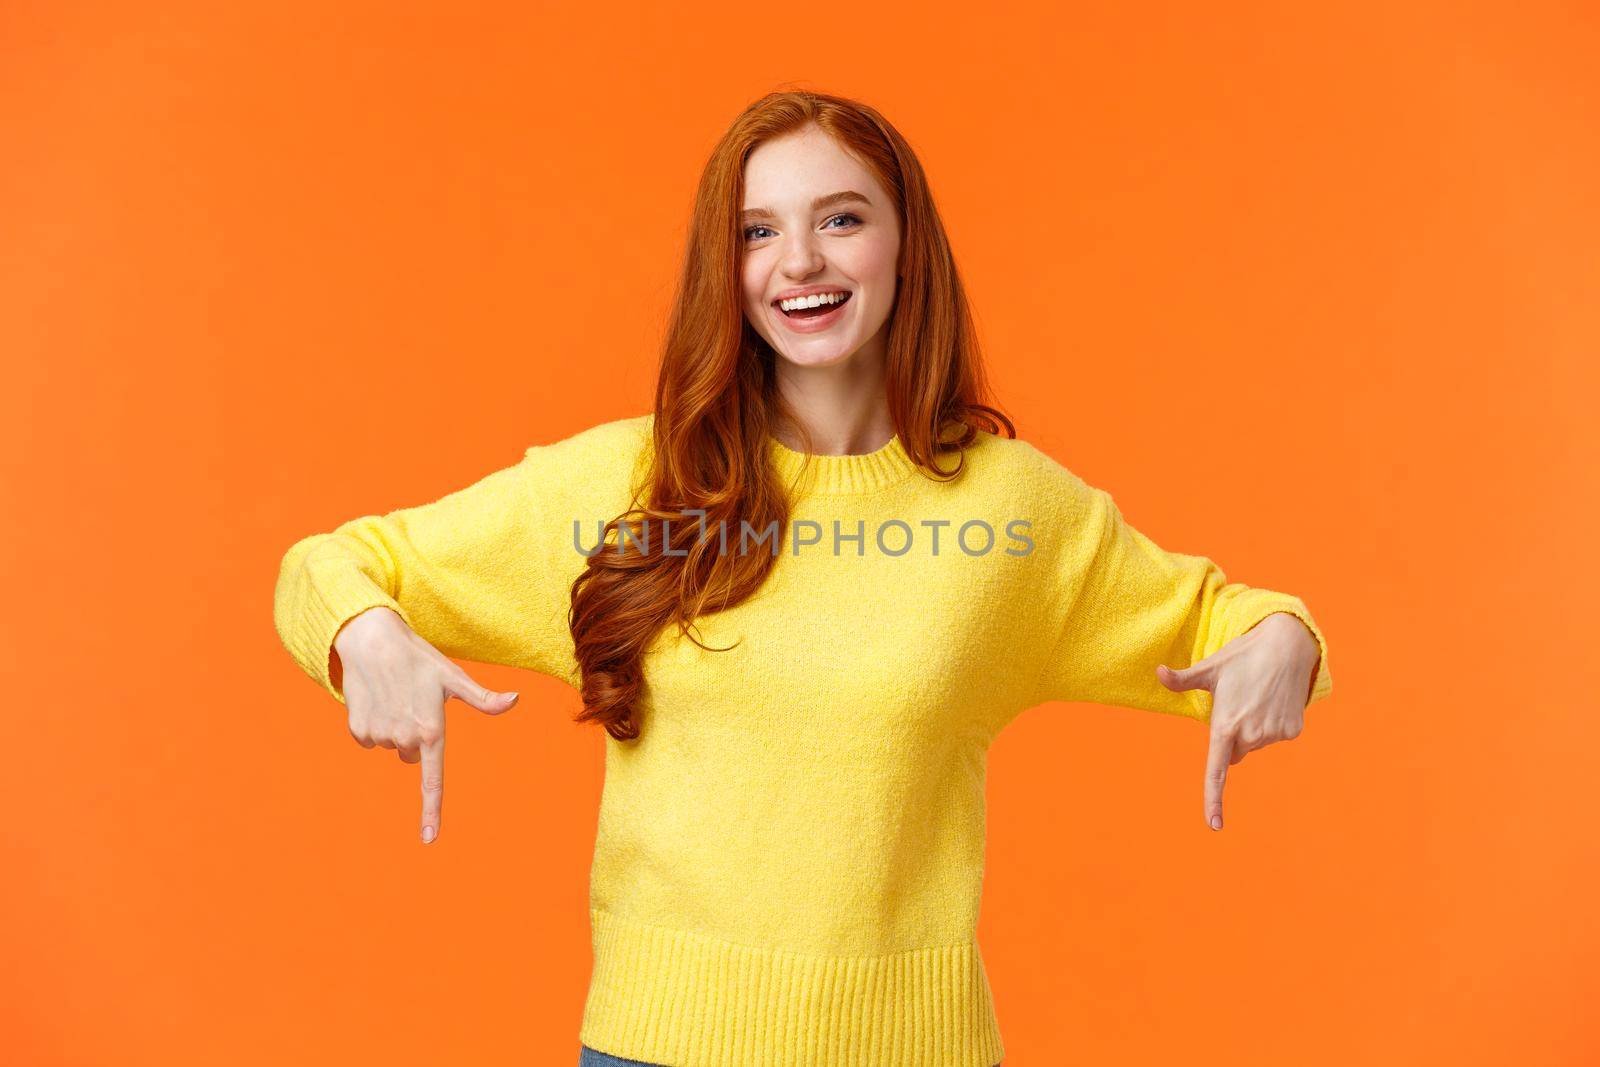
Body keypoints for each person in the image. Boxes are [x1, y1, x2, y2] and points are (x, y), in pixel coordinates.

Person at [274, 89, 1331, 1067]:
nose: (796, 262)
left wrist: (1287, 638)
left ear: (905, 246)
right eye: (756, 230)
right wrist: (362, 634)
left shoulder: (1014, 511)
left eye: (841, 219)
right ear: (721, 265)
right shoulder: (622, 485)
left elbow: (1228, 619)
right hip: (656, 1045)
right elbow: (329, 564)